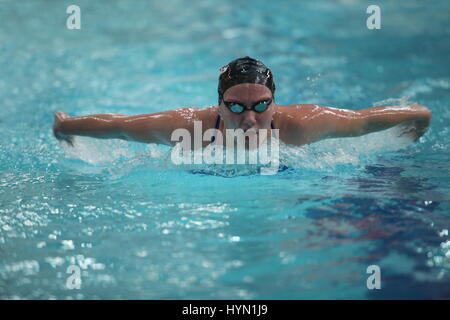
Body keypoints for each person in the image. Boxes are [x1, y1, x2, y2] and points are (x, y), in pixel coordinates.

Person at [53, 56, 431, 150]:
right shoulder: (190, 128)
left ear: (275, 101)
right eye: (235, 106)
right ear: (217, 105)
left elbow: (365, 121)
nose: (250, 118)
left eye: (261, 105)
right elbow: (119, 125)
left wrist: (417, 125)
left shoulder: (302, 125)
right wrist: (65, 127)